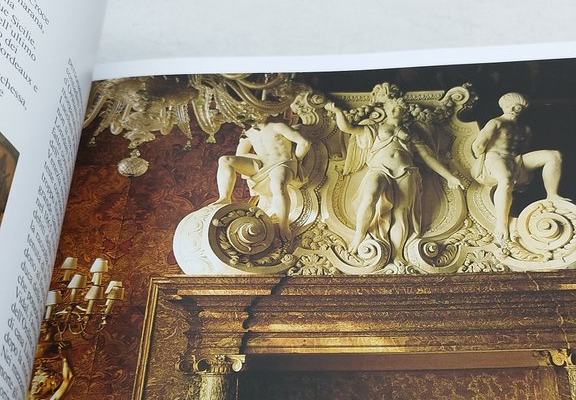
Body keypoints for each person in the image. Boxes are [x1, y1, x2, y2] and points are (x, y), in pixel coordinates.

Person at [325, 94, 463, 257]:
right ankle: (358, 236)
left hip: (406, 172)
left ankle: (397, 255)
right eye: (391, 107)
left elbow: (427, 157)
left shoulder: (411, 133)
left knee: (401, 213)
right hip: (379, 169)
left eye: (398, 108)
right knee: (370, 195)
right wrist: (338, 112)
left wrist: (449, 176)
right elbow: (347, 128)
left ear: (404, 112)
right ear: (386, 109)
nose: (394, 110)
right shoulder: (375, 127)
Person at [471, 92, 563, 243]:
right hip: (495, 158)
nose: (513, 110)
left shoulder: (524, 129)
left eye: (517, 107)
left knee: (554, 156)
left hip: (515, 160)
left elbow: (523, 149)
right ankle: (501, 224)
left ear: (522, 109)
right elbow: (478, 145)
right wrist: (482, 160)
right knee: (505, 180)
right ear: (504, 107)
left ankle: (552, 194)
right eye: (509, 106)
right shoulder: (496, 122)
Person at [216, 118, 311, 243]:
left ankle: (283, 225)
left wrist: (296, 160)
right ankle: (224, 198)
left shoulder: (277, 125)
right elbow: (240, 155)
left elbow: (304, 143)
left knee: (277, 185)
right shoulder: (248, 133)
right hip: (262, 165)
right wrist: (259, 158)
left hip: (282, 163)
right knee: (225, 160)